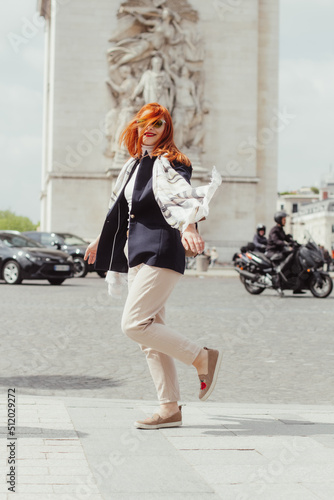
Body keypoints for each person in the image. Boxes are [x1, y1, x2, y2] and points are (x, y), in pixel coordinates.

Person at [84, 102, 222, 429]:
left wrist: (189, 227)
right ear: (136, 126)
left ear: (166, 129)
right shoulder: (133, 165)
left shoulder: (172, 161)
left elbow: (182, 197)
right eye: (145, 122)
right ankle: (169, 407)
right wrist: (100, 240)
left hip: (161, 249)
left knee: (133, 324)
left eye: (158, 124)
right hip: (137, 252)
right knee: (149, 336)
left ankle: (201, 356)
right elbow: (122, 211)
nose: (150, 128)